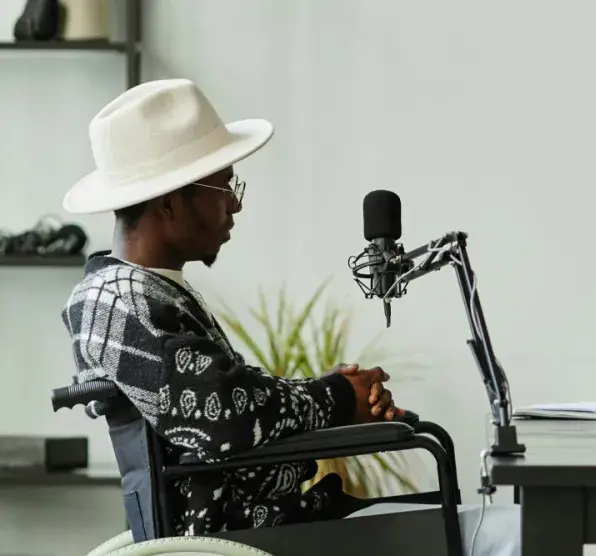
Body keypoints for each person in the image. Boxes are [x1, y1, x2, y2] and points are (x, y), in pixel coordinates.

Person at [60, 78, 520, 555]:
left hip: (283, 524)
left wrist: (342, 401)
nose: (235, 203)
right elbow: (225, 414)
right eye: (224, 186)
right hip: (249, 540)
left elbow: (223, 412)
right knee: (520, 532)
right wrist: (336, 398)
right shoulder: (113, 301)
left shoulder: (145, 291)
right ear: (171, 204)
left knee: (506, 525)